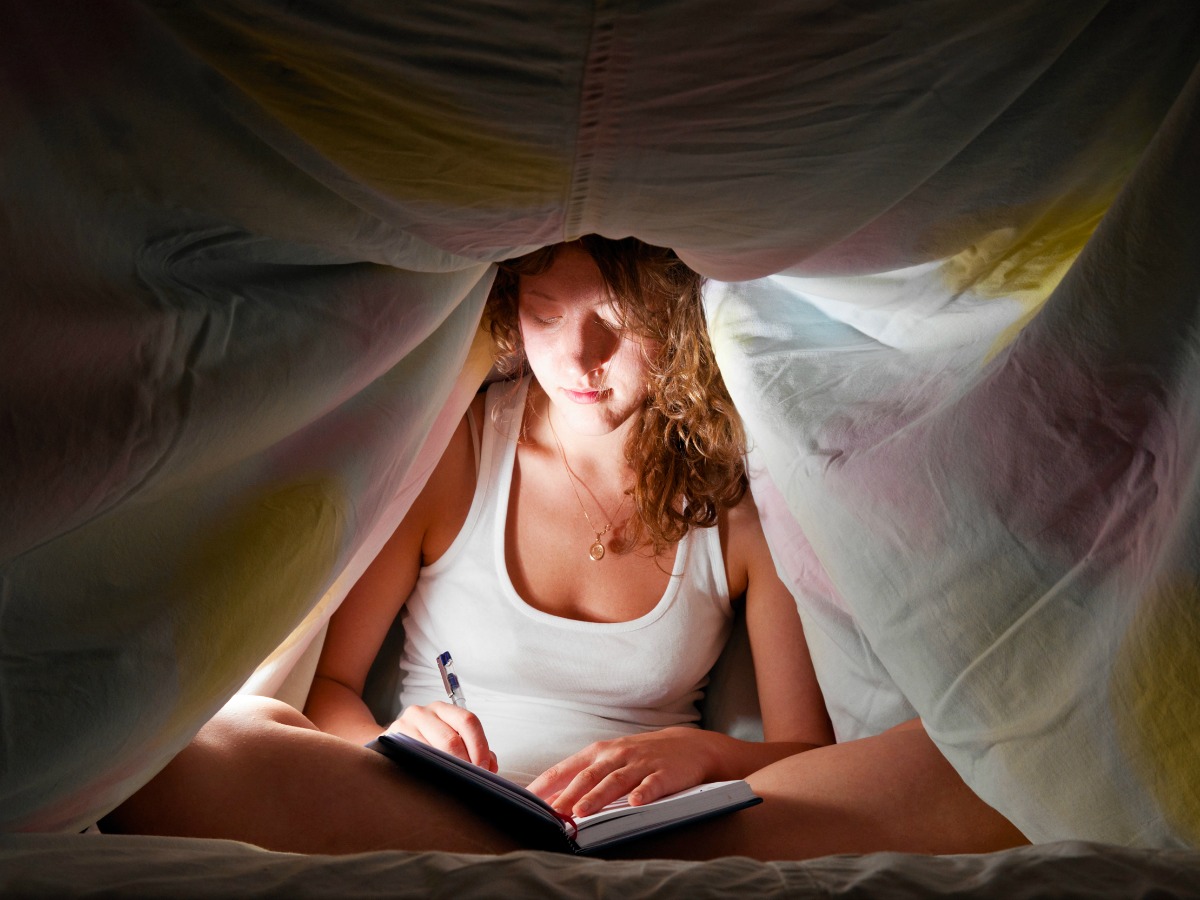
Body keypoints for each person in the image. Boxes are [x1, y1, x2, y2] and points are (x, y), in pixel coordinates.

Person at [102, 237, 1027, 859]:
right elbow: (330, 691)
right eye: (546, 317)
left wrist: (703, 758)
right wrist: (396, 736)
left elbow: (801, 751)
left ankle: (561, 867)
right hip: (437, 808)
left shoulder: (731, 497)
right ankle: (517, 859)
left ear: (677, 326)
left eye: (616, 330)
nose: (579, 361)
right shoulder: (463, 449)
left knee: (984, 763)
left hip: (656, 836)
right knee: (194, 745)